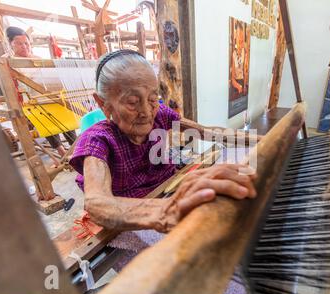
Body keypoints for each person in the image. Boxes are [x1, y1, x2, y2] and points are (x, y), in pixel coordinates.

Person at [69, 49, 258, 233]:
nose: (146, 112)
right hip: (131, 215)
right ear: (103, 103)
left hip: (165, 188)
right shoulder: (97, 140)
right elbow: (96, 203)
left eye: (152, 98)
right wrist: (166, 210)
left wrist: (263, 139)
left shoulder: (160, 114)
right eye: (133, 102)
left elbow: (209, 133)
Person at [6, 26, 76, 157]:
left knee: (65, 110)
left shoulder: (38, 59)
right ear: (11, 44)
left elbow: (52, 79)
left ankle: (75, 148)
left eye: (26, 43)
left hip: (48, 97)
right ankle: (62, 152)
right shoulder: (9, 63)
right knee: (44, 116)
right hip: (30, 103)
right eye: (19, 43)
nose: (24, 46)